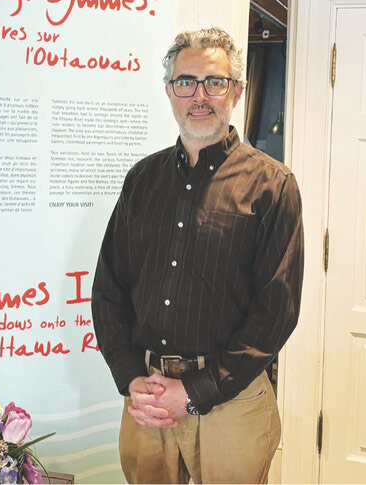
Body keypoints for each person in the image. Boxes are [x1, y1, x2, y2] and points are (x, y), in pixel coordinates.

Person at [92, 26, 304, 484]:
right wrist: (130, 377)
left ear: (237, 91)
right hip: (148, 396)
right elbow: (109, 288)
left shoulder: (272, 184)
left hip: (232, 399)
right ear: (170, 91)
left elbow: (277, 310)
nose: (200, 96)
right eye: (186, 82)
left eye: (215, 82)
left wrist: (196, 390)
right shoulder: (142, 180)